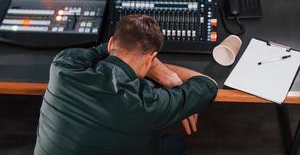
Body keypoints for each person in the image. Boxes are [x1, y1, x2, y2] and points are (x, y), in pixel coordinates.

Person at [34, 14, 218, 155]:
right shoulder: (146, 103)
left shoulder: (64, 64)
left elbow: (101, 51)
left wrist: (149, 63)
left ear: (113, 42)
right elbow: (207, 85)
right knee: (174, 143)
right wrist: (166, 76)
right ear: (152, 58)